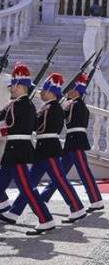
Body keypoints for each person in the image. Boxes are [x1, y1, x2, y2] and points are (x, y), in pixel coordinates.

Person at [3, 73, 86, 225]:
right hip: (41, 149)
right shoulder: (47, 107)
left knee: (59, 180)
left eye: (43, 91)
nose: (40, 93)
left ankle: (77, 207)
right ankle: (15, 212)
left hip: (49, 148)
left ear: (50, 92)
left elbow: (39, 128)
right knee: (29, 183)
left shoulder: (52, 108)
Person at [0, 63, 55, 235]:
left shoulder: (22, 105)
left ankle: (46, 219)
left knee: (26, 188)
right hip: (13, 150)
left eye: (13, 86)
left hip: (18, 151)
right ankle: (8, 210)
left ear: (19, 86)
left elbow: (16, 125)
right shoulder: (17, 104)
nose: (11, 89)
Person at [39, 73, 103, 212]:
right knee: (59, 174)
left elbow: (64, 117)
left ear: (75, 92)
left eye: (70, 90)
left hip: (76, 141)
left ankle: (96, 200)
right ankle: (44, 196)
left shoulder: (74, 105)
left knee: (84, 172)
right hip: (72, 141)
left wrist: (59, 105)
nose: (67, 92)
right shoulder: (77, 104)